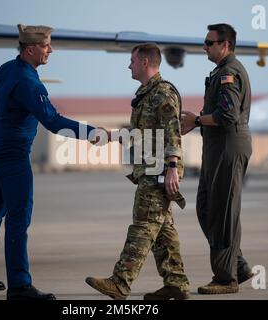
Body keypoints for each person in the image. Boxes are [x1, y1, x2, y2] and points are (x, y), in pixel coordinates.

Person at [0, 24, 98, 300]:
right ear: (30, 48)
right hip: (12, 154)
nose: (51, 50)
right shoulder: (29, 82)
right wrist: (91, 132)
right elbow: (52, 121)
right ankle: (20, 286)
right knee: (19, 216)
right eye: (47, 45)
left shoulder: (5, 69)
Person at [85, 43, 190, 300]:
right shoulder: (146, 93)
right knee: (163, 231)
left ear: (144, 62)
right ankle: (175, 284)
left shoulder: (163, 93)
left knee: (143, 225)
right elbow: (141, 134)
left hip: (159, 169)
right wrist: (110, 136)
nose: (128, 65)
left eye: (132, 60)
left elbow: (173, 132)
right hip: (151, 168)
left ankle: (121, 282)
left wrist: (172, 168)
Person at [181, 23, 254, 294]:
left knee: (222, 213)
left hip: (228, 146)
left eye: (210, 43)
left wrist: (197, 119)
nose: (205, 47)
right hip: (217, 148)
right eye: (206, 42)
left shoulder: (229, 74)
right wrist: (196, 122)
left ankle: (226, 278)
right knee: (206, 208)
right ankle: (239, 265)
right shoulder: (220, 72)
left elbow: (227, 116)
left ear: (225, 45)